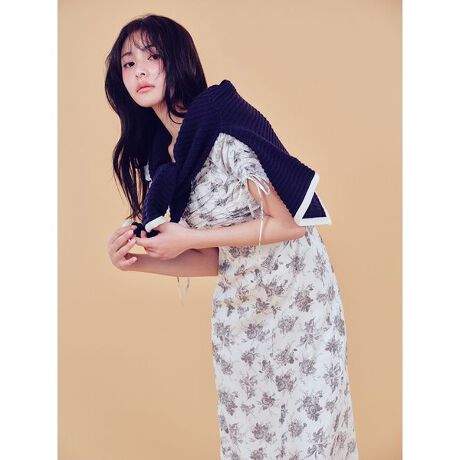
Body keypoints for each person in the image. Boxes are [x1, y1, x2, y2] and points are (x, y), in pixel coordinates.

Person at [105, 14, 359, 459]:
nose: (140, 71)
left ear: (177, 60)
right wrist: (136, 260)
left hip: (301, 303)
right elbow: (216, 259)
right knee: (250, 443)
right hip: (240, 315)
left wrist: (187, 237)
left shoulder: (221, 127)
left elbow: (291, 224)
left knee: (308, 442)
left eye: (152, 57)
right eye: (128, 63)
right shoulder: (162, 163)